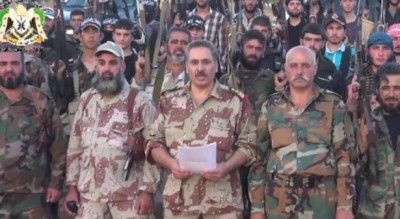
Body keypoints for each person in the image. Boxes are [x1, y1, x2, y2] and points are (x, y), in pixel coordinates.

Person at [146, 40, 257, 219]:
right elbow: (154, 142)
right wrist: (171, 164)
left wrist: (226, 167)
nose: (200, 68)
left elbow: (249, 145)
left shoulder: (235, 101)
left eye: (206, 62)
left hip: (223, 203)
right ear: (187, 67)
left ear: (216, 65)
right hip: (179, 204)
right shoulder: (169, 101)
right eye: (194, 63)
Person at [249, 46, 355, 219]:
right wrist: (257, 208)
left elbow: (344, 157)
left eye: (306, 65)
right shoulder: (270, 107)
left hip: (321, 199)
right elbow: (258, 160)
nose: (299, 71)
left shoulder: (333, 104)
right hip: (278, 199)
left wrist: (344, 205)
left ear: (315, 68)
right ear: (285, 68)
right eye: (294, 65)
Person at [64, 41, 158, 219]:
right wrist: (71, 187)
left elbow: (154, 149)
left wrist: (148, 191)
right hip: (90, 197)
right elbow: (75, 147)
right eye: (102, 63)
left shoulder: (140, 101)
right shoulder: (86, 99)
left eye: (113, 63)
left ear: (122, 65)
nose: (106, 68)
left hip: (129, 197)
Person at [0, 45, 67, 218]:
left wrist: (55, 184)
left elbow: (58, 147)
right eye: (3, 64)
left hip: (34, 197)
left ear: (23, 66)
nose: (9, 69)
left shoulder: (41, 101)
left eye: (14, 63)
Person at [356, 63, 400, 219]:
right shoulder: (366, 123)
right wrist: (362, 144)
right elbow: (352, 171)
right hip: (374, 212)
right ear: (377, 91)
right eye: (386, 88)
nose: (391, 93)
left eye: (397, 88)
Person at [188, 0, 229, 74]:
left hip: (212, 70)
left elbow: (222, 51)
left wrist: (219, 73)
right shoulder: (189, 16)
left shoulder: (219, 18)